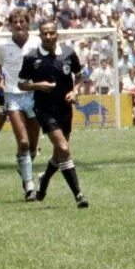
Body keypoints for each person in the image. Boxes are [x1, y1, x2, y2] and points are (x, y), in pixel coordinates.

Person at [20, 20, 88, 208]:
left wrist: (75, 91)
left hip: (65, 109)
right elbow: (21, 83)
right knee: (64, 149)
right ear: (39, 35)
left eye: (52, 33)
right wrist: (37, 86)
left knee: (59, 154)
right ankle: (79, 195)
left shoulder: (68, 53)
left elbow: (80, 75)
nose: (48, 36)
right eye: (45, 33)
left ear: (57, 34)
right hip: (43, 109)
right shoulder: (31, 58)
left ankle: (44, 180)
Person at [0, 10, 41, 195]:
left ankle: (24, 165)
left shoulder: (37, 43)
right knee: (23, 143)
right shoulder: (2, 45)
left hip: (34, 95)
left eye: (22, 22)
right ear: (10, 24)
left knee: (33, 146)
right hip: (12, 95)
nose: (19, 25)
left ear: (27, 23)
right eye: (15, 22)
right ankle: (29, 186)